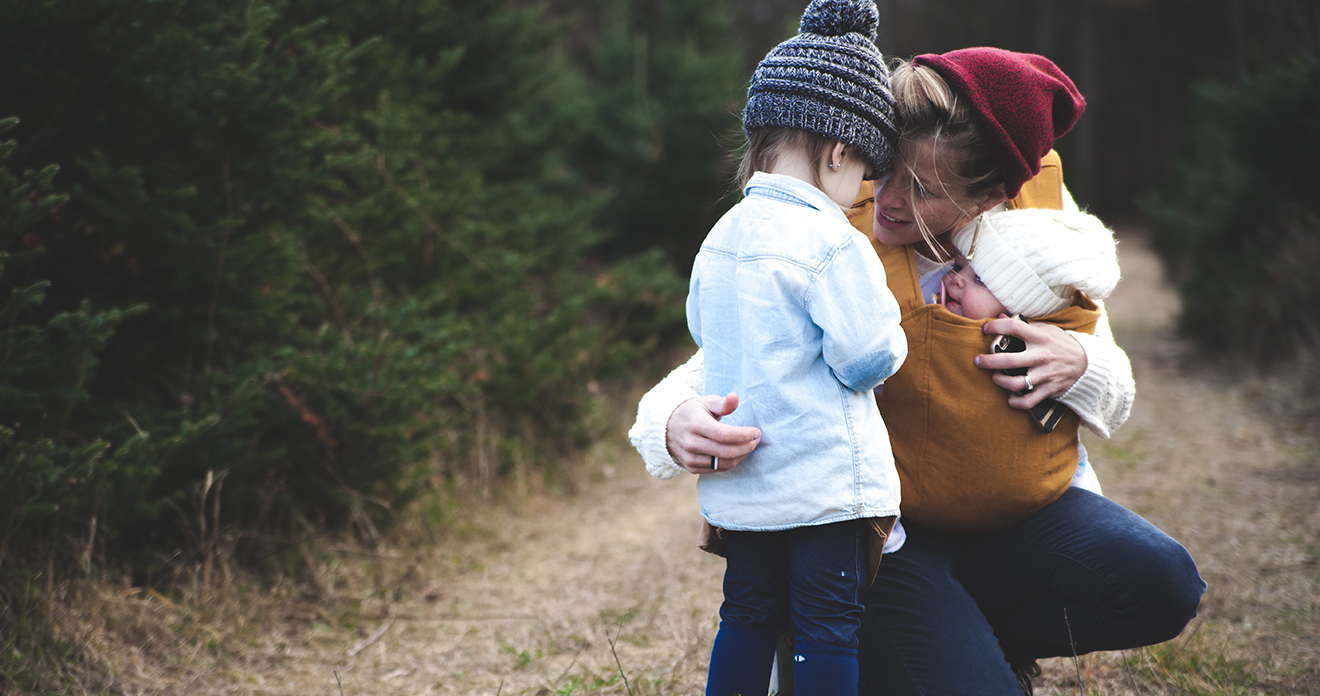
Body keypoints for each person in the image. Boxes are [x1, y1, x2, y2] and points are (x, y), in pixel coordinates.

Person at [630, 46, 1205, 695]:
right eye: (887, 172)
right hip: (887, 539)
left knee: (1164, 584)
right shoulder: (835, 237)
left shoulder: (1037, 240)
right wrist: (671, 421)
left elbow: (1116, 385)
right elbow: (724, 354)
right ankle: (920, 644)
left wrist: (1081, 365)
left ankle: (972, 638)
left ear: (988, 195)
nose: (891, 201)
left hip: (1020, 521)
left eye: (925, 189)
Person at [687, 2, 906, 694]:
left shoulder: (721, 235)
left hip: (745, 484)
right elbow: (866, 356)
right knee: (827, 625)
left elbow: (703, 330)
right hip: (823, 486)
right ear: (839, 150)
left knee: (747, 614)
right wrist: (894, 335)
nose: (861, 192)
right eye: (863, 172)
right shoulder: (832, 239)